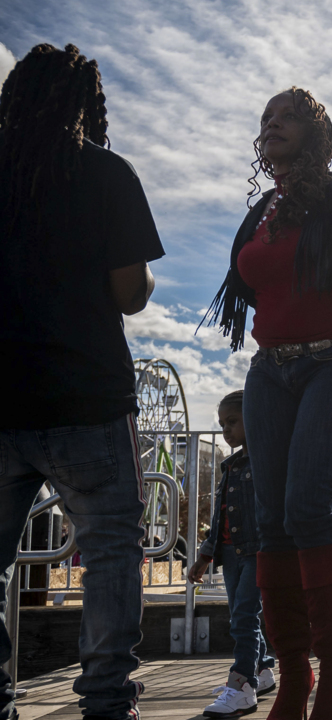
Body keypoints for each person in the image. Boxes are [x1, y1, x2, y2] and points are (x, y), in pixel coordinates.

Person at [203, 86, 332, 720]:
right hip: (271, 370)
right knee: (269, 519)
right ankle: (292, 675)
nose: (273, 125)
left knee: (308, 507)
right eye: (266, 118)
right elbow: (250, 286)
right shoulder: (264, 208)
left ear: (316, 133)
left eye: (288, 117)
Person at [0, 44, 164, 720]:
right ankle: (104, 701)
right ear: (86, 104)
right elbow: (130, 294)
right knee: (109, 557)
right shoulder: (104, 173)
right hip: (88, 397)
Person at [188, 391, 277, 718]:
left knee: (243, 618)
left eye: (232, 421)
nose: (226, 430)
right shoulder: (232, 466)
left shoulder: (266, 462)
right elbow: (220, 518)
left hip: (256, 551)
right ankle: (263, 672)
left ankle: (242, 686)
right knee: (243, 615)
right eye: (222, 423)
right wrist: (205, 554)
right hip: (231, 553)